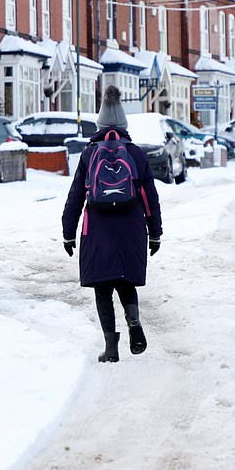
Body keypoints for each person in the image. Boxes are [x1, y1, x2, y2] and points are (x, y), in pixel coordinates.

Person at [61, 86, 163, 363]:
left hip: (98, 227)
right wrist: (155, 234)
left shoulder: (89, 153)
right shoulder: (136, 154)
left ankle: (111, 347)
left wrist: (68, 234)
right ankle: (134, 323)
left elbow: (76, 196)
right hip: (131, 226)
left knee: (102, 287)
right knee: (125, 281)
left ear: (100, 123)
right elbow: (150, 197)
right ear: (124, 124)